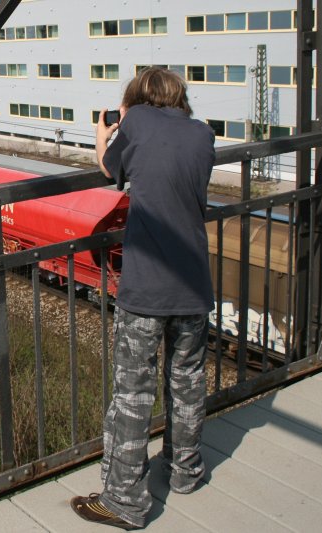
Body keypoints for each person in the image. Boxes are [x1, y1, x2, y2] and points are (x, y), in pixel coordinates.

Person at [70, 67, 215, 530]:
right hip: (193, 285)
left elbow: (111, 168)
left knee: (133, 396)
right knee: (187, 384)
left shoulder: (134, 123)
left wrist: (104, 134)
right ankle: (185, 473)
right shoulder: (202, 134)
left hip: (147, 288)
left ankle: (125, 503)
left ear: (135, 101)